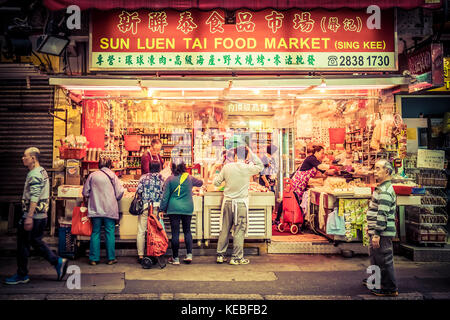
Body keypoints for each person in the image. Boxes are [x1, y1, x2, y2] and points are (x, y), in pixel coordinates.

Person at [5, 147, 69, 285]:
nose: (22, 158)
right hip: (41, 215)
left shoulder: (34, 174)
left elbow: (34, 196)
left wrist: (28, 217)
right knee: (36, 242)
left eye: (25, 156)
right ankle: (57, 261)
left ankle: (22, 274)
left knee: (23, 245)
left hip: (33, 216)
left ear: (33, 158)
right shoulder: (42, 171)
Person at [212, 146, 264, 265]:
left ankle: (220, 255)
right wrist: (251, 152)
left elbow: (216, 182)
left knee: (224, 228)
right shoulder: (248, 168)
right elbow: (260, 166)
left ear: (235, 155)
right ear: (246, 156)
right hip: (241, 203)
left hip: (227, 202)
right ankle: (236, 257)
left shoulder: (227, 167)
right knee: (239, 230)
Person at [274, 145, 339, 225]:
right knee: (289, 200)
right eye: (322, 153)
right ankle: (284, 219)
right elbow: (321, 167)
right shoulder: (311, 158)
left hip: (301, 185)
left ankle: (296, 221)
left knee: (295, 201)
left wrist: (334, 172)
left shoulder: (316, 162)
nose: (323, 155)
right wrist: (333, 166)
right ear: (317, 152)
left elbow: (322, 173)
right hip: (296, 183)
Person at [364, 159, 398, 297]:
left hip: (383, 233)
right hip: (377, 231)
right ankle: (375, 281)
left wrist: (377, 233)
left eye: (378, 168)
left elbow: (382, 214)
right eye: (375, 168)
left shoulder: (385, 190)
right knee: (375, 258)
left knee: (384, 260)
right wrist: (371, 228)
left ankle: (390, 288)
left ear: (387, 171)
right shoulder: (381, 188)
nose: (375, 171)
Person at [82, 157, 124, 265]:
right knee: (110, 233)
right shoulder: (113, 175)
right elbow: (119, 192)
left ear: (98, 165)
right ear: (110, 165)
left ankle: (94, 259)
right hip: (109, 209)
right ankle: (111, 258)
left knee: (95, 232)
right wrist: (114, 198)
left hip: (96, 208)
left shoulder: (92, 175)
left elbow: (85, 192)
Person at [160, 162, 203, 265]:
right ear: (184, 167)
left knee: (175, 233)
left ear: (173, 168)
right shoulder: (189, 178)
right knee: (187, 231)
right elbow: (200, 183)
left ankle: (175, 258)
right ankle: (189, 255)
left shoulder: (169, 179)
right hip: (187, 208)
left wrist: (162, 209)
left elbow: (165, 197)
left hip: (174, 208)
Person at [136, 162, 164, 265]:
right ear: (159, 168)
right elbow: (163, 193)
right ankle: (154, 253)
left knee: (141, 231)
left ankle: (140, 255)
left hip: (145, 207)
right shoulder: (161, 178)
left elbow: (138, 191)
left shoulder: (143, 178)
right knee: (154, 231)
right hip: (156, 208)